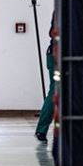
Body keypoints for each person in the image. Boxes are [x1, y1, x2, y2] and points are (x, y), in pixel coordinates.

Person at [35, 12, 56, 142]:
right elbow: (53, 33)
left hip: (55, 55)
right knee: (55, 91)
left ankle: (42, 130)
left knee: (55, 90)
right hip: (56, 56)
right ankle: (41, 129)